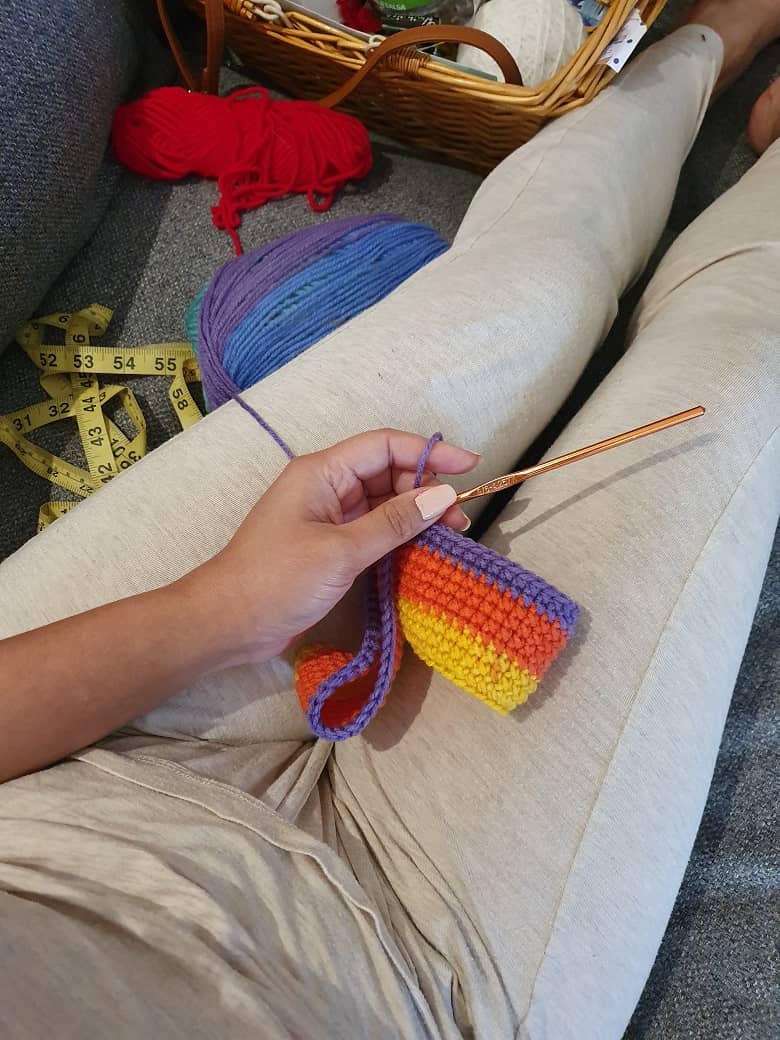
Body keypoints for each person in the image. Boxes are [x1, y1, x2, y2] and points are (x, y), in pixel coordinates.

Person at [1, 2, 778, 1036]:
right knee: (734, 380)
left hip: (56, 758)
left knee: (525, 289)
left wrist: (221, 606)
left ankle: (696, 53)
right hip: (410, 975)